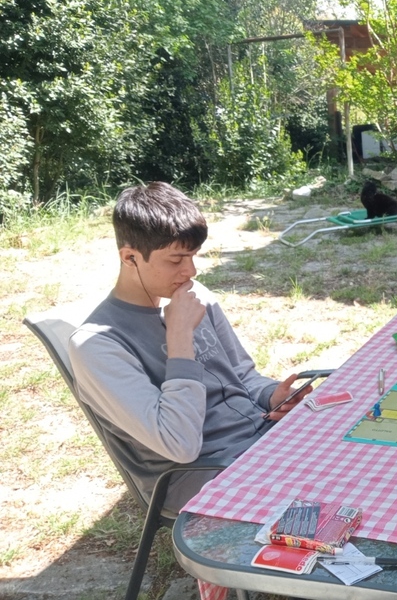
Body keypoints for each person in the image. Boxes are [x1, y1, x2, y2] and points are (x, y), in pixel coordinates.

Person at [68, 182, 314, 513]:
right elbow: (179, 445)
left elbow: (241, 374)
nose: (191, 271)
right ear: (130, 257)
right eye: (176, 260)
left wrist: (271, 396)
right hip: (199, 474)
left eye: (193, 257)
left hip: (259, 440)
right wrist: (180, 337)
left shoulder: (194, 295)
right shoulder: (97, 346)